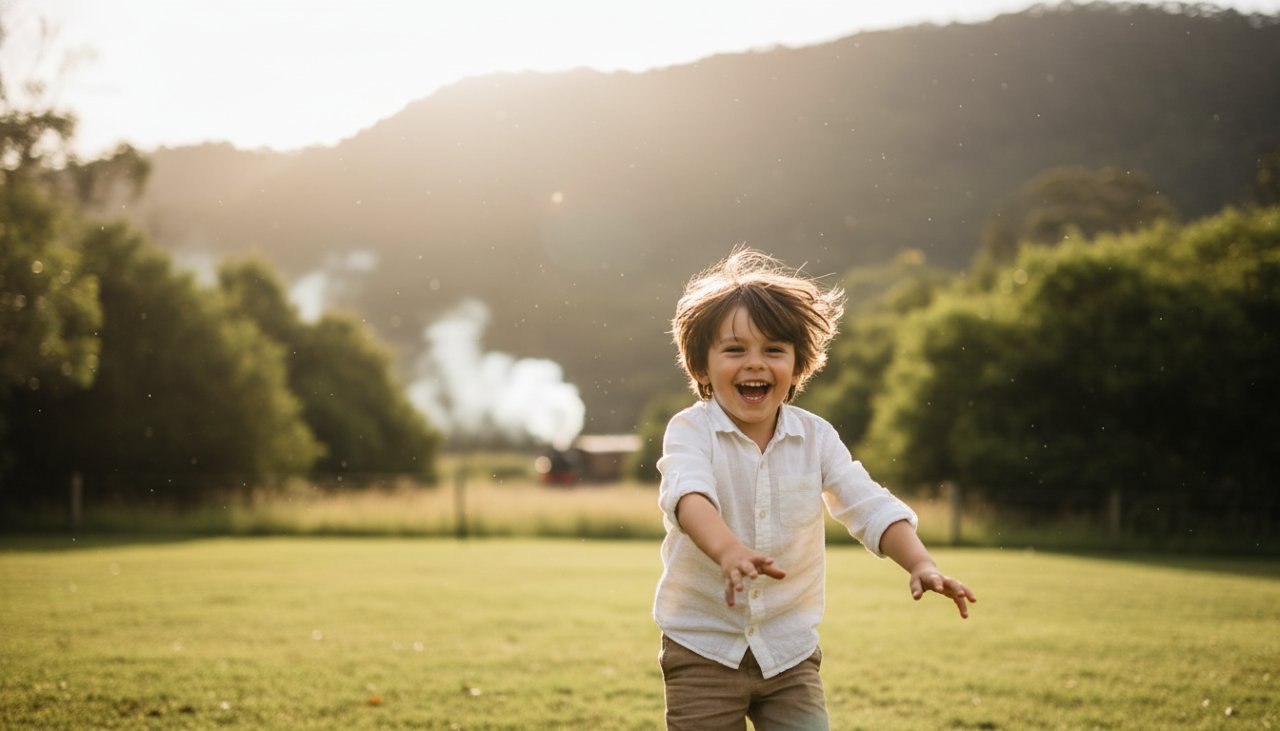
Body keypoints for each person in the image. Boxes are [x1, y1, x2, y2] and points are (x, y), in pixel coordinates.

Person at [653, 248, 976, 730]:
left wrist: (921, 562)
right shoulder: (690, 431)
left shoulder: (817, 438)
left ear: (799, 365)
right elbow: (688, 495)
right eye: (735, 349)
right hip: (702, 649)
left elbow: (866, 503)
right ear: (701, 366)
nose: (754, 364)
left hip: (789, 654)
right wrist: (728, 550)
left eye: (774, 350)